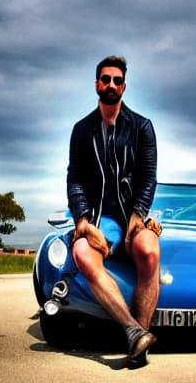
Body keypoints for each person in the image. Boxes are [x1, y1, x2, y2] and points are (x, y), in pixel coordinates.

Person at [67, 55, 161, 366]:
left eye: (117, 80)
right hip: (100, 219)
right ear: (97, 84)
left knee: (149, 250)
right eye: (105, 79)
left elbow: (148, 178)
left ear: (124, 86)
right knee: (81, 252)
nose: (111, 85)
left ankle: (139, 347)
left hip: (132, 214)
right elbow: (75, 179)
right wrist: (83, 221)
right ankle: (134, 332)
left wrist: (138, 217)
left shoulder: (142, 128)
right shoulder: (82, 131)